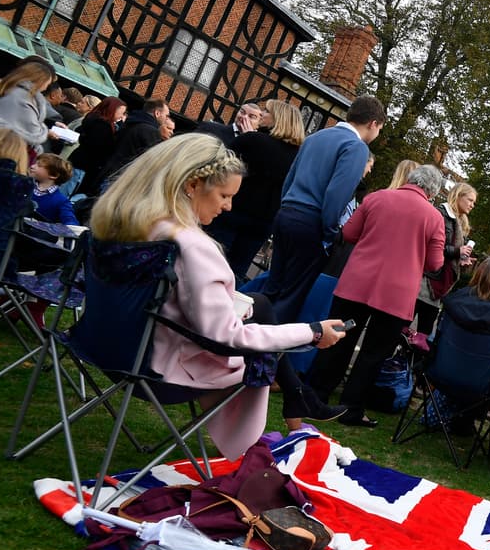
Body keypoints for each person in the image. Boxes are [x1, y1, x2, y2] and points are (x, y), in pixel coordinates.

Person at [87, 134, 349, 457]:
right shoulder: (192, 246)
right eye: (224, 195)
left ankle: (295, 402)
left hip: (101, 346)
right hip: (159, 371)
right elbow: (228, 337)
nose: (228, 206)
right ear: (193, 185)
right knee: (259, 348)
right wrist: (311, 332)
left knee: (261, 305)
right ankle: (257, 440)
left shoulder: (123, 223)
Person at [308, 163, 446, 429]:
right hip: (397, 293)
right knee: (373, 353)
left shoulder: (377, 197)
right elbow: (434, 264)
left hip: (357, 282)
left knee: (337, 339)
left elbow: (348, 233)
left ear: (411, 179)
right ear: (433, 191)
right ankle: (351, 408)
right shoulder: (434, 217)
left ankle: (316, 395)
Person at [264, 95, 385, 322]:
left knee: (273, 285)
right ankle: (262, 354)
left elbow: (289, 179)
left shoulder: (315, 137)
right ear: (373, 123)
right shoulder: (355, 147)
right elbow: (336, 194)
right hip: (312, 222)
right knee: (291, 297)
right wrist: (331, 232)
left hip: (287, 212)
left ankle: (245, 340)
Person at [205, 100, 305, 281]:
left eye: (266, 112)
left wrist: (247, 137)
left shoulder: (253, 140)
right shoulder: (301, 156)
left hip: (232, 212)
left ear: (277, 119)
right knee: (236, 272)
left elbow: (219, 163)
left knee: (209, 261)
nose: (262, 115)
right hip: (264, 222)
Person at [414, 181, 477, 335]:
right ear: (458, 196)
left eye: (474, 202)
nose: (472, 205)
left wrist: (461, 259)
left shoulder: (460, 223)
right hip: (426, 281)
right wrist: (457, 252)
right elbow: (429, 245)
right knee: (404, 330)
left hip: (439, 284)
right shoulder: (440, 214)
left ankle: (405, 358)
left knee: (423, 336)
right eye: (470, 200)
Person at [84, 98, 170, 196]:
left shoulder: (130, 123)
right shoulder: (150, 132)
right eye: (166, 115)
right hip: (120, 179)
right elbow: (151, 162)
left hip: (108, 172)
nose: (166, 118)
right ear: (157, 113)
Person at [68, 96, 126, 196]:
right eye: (121, 112)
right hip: (84, 166)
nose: (121, 116)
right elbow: (99, 149)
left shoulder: (93, 119)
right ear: (112, 110)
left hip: (78, 161)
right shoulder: (102, 126)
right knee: (68, 191)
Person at [0, 61, 54, 152]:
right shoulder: (23, 99)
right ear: (39, 81)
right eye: (47, 84)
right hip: (2, 149)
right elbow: (34, 134)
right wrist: (44, 130)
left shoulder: (5, 88)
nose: (45, 88)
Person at [28, 153, 77, 225]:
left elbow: (70, 221)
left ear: (53, 175)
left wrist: (71, 226)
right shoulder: (24, 186)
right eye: (34, 163)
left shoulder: (61, 201)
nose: (32, 166)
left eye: (39, 165)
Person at [195, 102, 260, 148]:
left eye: (252, 116)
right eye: (242, 112)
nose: (244, 117)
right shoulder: (210, 128)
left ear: (258, 124)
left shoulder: (258, 149)